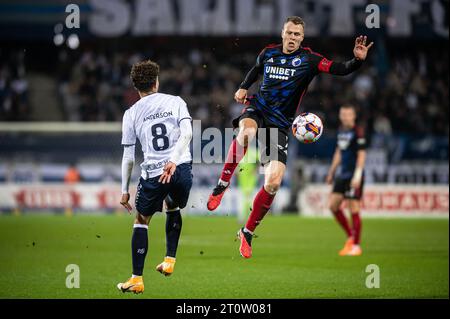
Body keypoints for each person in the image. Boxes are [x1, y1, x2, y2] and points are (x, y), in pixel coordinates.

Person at [207, 16, 373, 259]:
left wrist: (356, 62)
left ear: (302, 38)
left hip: (279, 125)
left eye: (297, 34)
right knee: (247, 132)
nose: (293, 37)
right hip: (258, 110)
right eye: (289, 33)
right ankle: (222, 185)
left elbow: (339, 69)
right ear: (283, 33)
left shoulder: (310, 60)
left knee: (273, 182)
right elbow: (255, 70)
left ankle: (248, 232)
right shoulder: (268, 53)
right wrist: (243, 86)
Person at [117, 60, 193, 294]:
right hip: (180, 168)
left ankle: (136, 279)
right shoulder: (176, 101)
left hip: (154, 174)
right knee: (172, 205)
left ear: (136, 87)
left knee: (141, 220)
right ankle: (170, 260)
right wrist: (173, 160)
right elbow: (188, 133)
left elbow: (128, 157)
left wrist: (124, 190)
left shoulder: (131, 114)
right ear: (156, 82)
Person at [326, 105, 366, 256]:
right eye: (342, 114)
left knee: (353, 207)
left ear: (354, 115)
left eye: (348, 114)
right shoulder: (341, 131)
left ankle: (356, 245)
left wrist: (357, 175)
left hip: (353, 175)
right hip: (342, 175)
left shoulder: (358, 131)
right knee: (333, 206)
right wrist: (331, 172)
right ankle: (351, 236)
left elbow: (362, 155)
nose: (345, 117)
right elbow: (339, 152)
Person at [236, 146, 259, 224]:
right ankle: (244, 217)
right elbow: (237, 166)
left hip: (251, 181)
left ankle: (250, 218)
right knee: (244, 200)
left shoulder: (253, 152)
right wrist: (237, 172)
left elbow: (261, 161)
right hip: (242, 182)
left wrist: (256, 169)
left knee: (249, 200)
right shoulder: (239, 155)